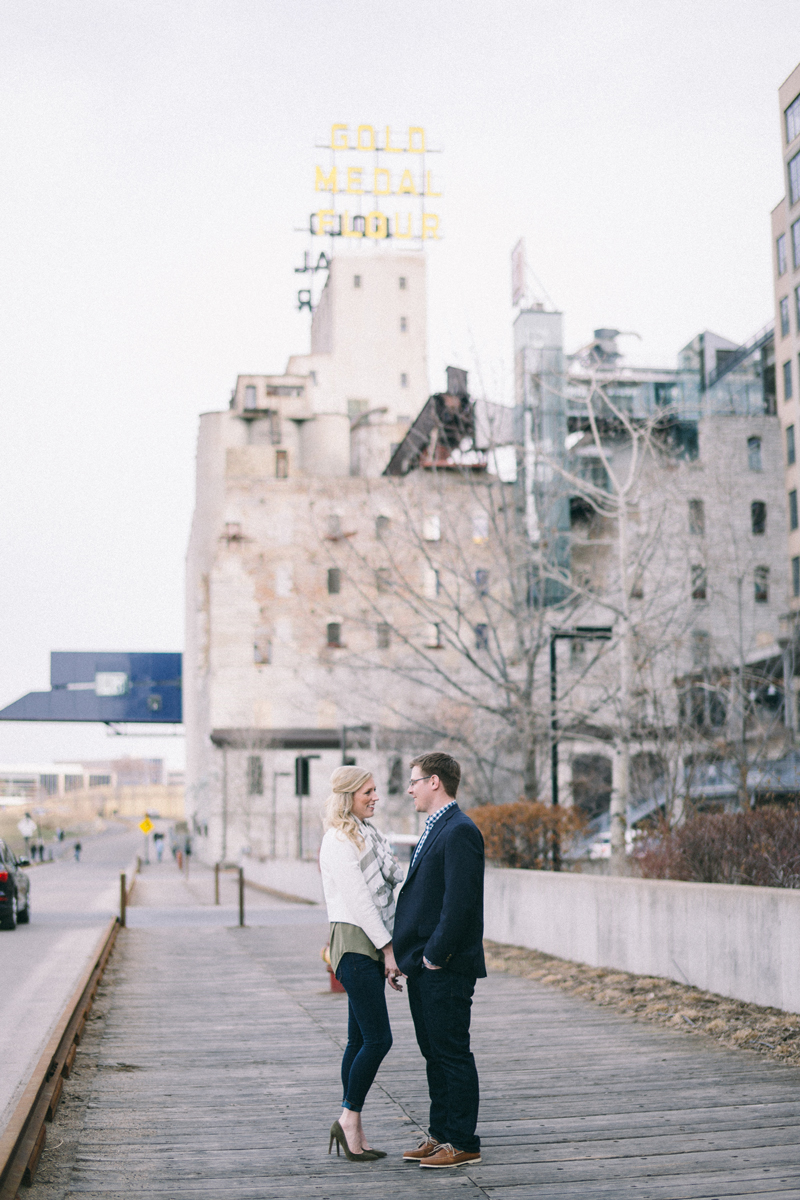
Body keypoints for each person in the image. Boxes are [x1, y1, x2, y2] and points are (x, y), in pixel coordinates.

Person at [393, 752, 486, 1169]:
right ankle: (442, 1134)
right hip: (424, 965)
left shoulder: (459, 830)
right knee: (434, 1053)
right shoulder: (437, 829)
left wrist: (434, 956)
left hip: (444, 966)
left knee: (452, 1053)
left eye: (414, 781)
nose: (409, 788)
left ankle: (463, 1142)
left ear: (435, 782)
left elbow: (459, 904)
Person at [319, 766, 404, 1163]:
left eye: (375, 791)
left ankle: (354, 1125)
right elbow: (359, 902)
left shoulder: (367, 836)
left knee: (358, 1040)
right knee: (378, 1039)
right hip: (355, 942)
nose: (375, 797)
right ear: (349, 796)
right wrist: (389, 951)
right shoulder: (338, 840)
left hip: (366, 942)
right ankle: (348, 1118)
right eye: (367, 792)